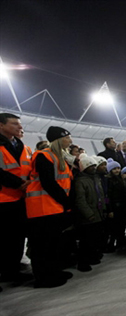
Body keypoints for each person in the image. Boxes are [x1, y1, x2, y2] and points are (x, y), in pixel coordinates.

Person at [26, 126, 73, 288]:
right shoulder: (43, 156)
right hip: (42, 207)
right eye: (67, 137)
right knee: (42, 246)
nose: (70, 140)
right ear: (59, 139)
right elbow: (49, 183)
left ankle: (54, 271)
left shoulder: (59, 157)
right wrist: (66, 202)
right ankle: (43, 278)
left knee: (53, 244)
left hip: (54, 206)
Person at [0, 113, 33, 285]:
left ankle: (12, 269)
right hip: (3, 199)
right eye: (14, 124)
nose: (20, 127)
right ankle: (7, 271)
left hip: (21, 198)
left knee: (17, 237)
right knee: (6, 238)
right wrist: (19, 183)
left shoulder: (21, 146)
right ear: (1, 126)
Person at [74, 154, 106, 272]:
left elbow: (102, 195)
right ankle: (83, 262)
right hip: (88, 217)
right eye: (90, 166)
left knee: (95, 239)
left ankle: (93, 256)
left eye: (94, 166)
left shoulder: (96, 179)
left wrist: (105, 208)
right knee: (86, 241)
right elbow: (80, 200)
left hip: (98, 213)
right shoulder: (80, 182)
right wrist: (89, 214)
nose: (93, 168)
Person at [106, 158, 126, 251]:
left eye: (118, 168)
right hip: (114, 206)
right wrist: (109, 209)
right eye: (115, 169)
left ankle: (120, 242)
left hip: (121, 207)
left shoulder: (120, 179)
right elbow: (107, 197)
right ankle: (111, 245)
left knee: (121, 226)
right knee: (114, 227)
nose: (117, 170)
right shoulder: (109, 181)